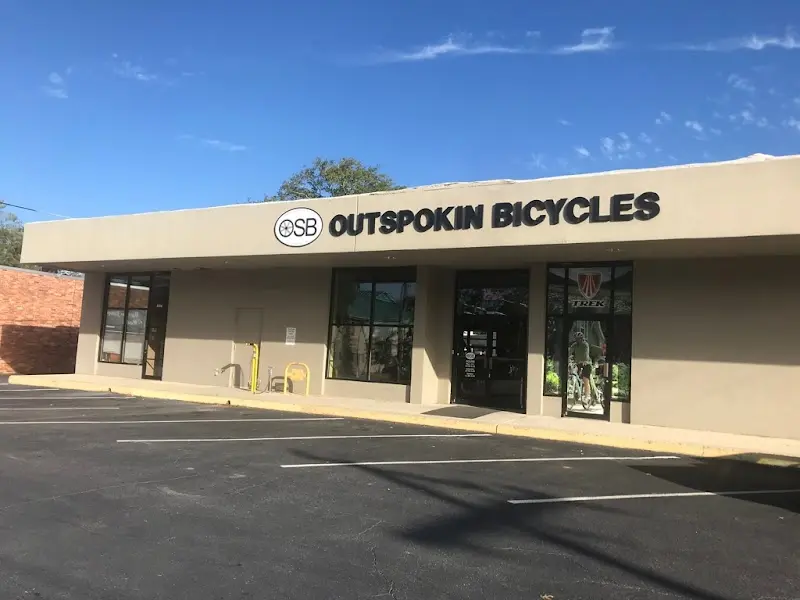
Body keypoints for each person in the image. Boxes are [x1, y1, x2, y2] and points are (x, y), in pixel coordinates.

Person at [570, 330, 596, 406]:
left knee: (585, 379)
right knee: (573, 374)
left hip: (586, 364)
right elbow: (570, 352)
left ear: (582, 339)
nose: (578, 340)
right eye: (576, 339)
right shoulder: (574, 345)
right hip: (578, 364)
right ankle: (577, 391)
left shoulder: (585, 345)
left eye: (579, 339)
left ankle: (587, 396)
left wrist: (584, 360)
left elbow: (586, 354)